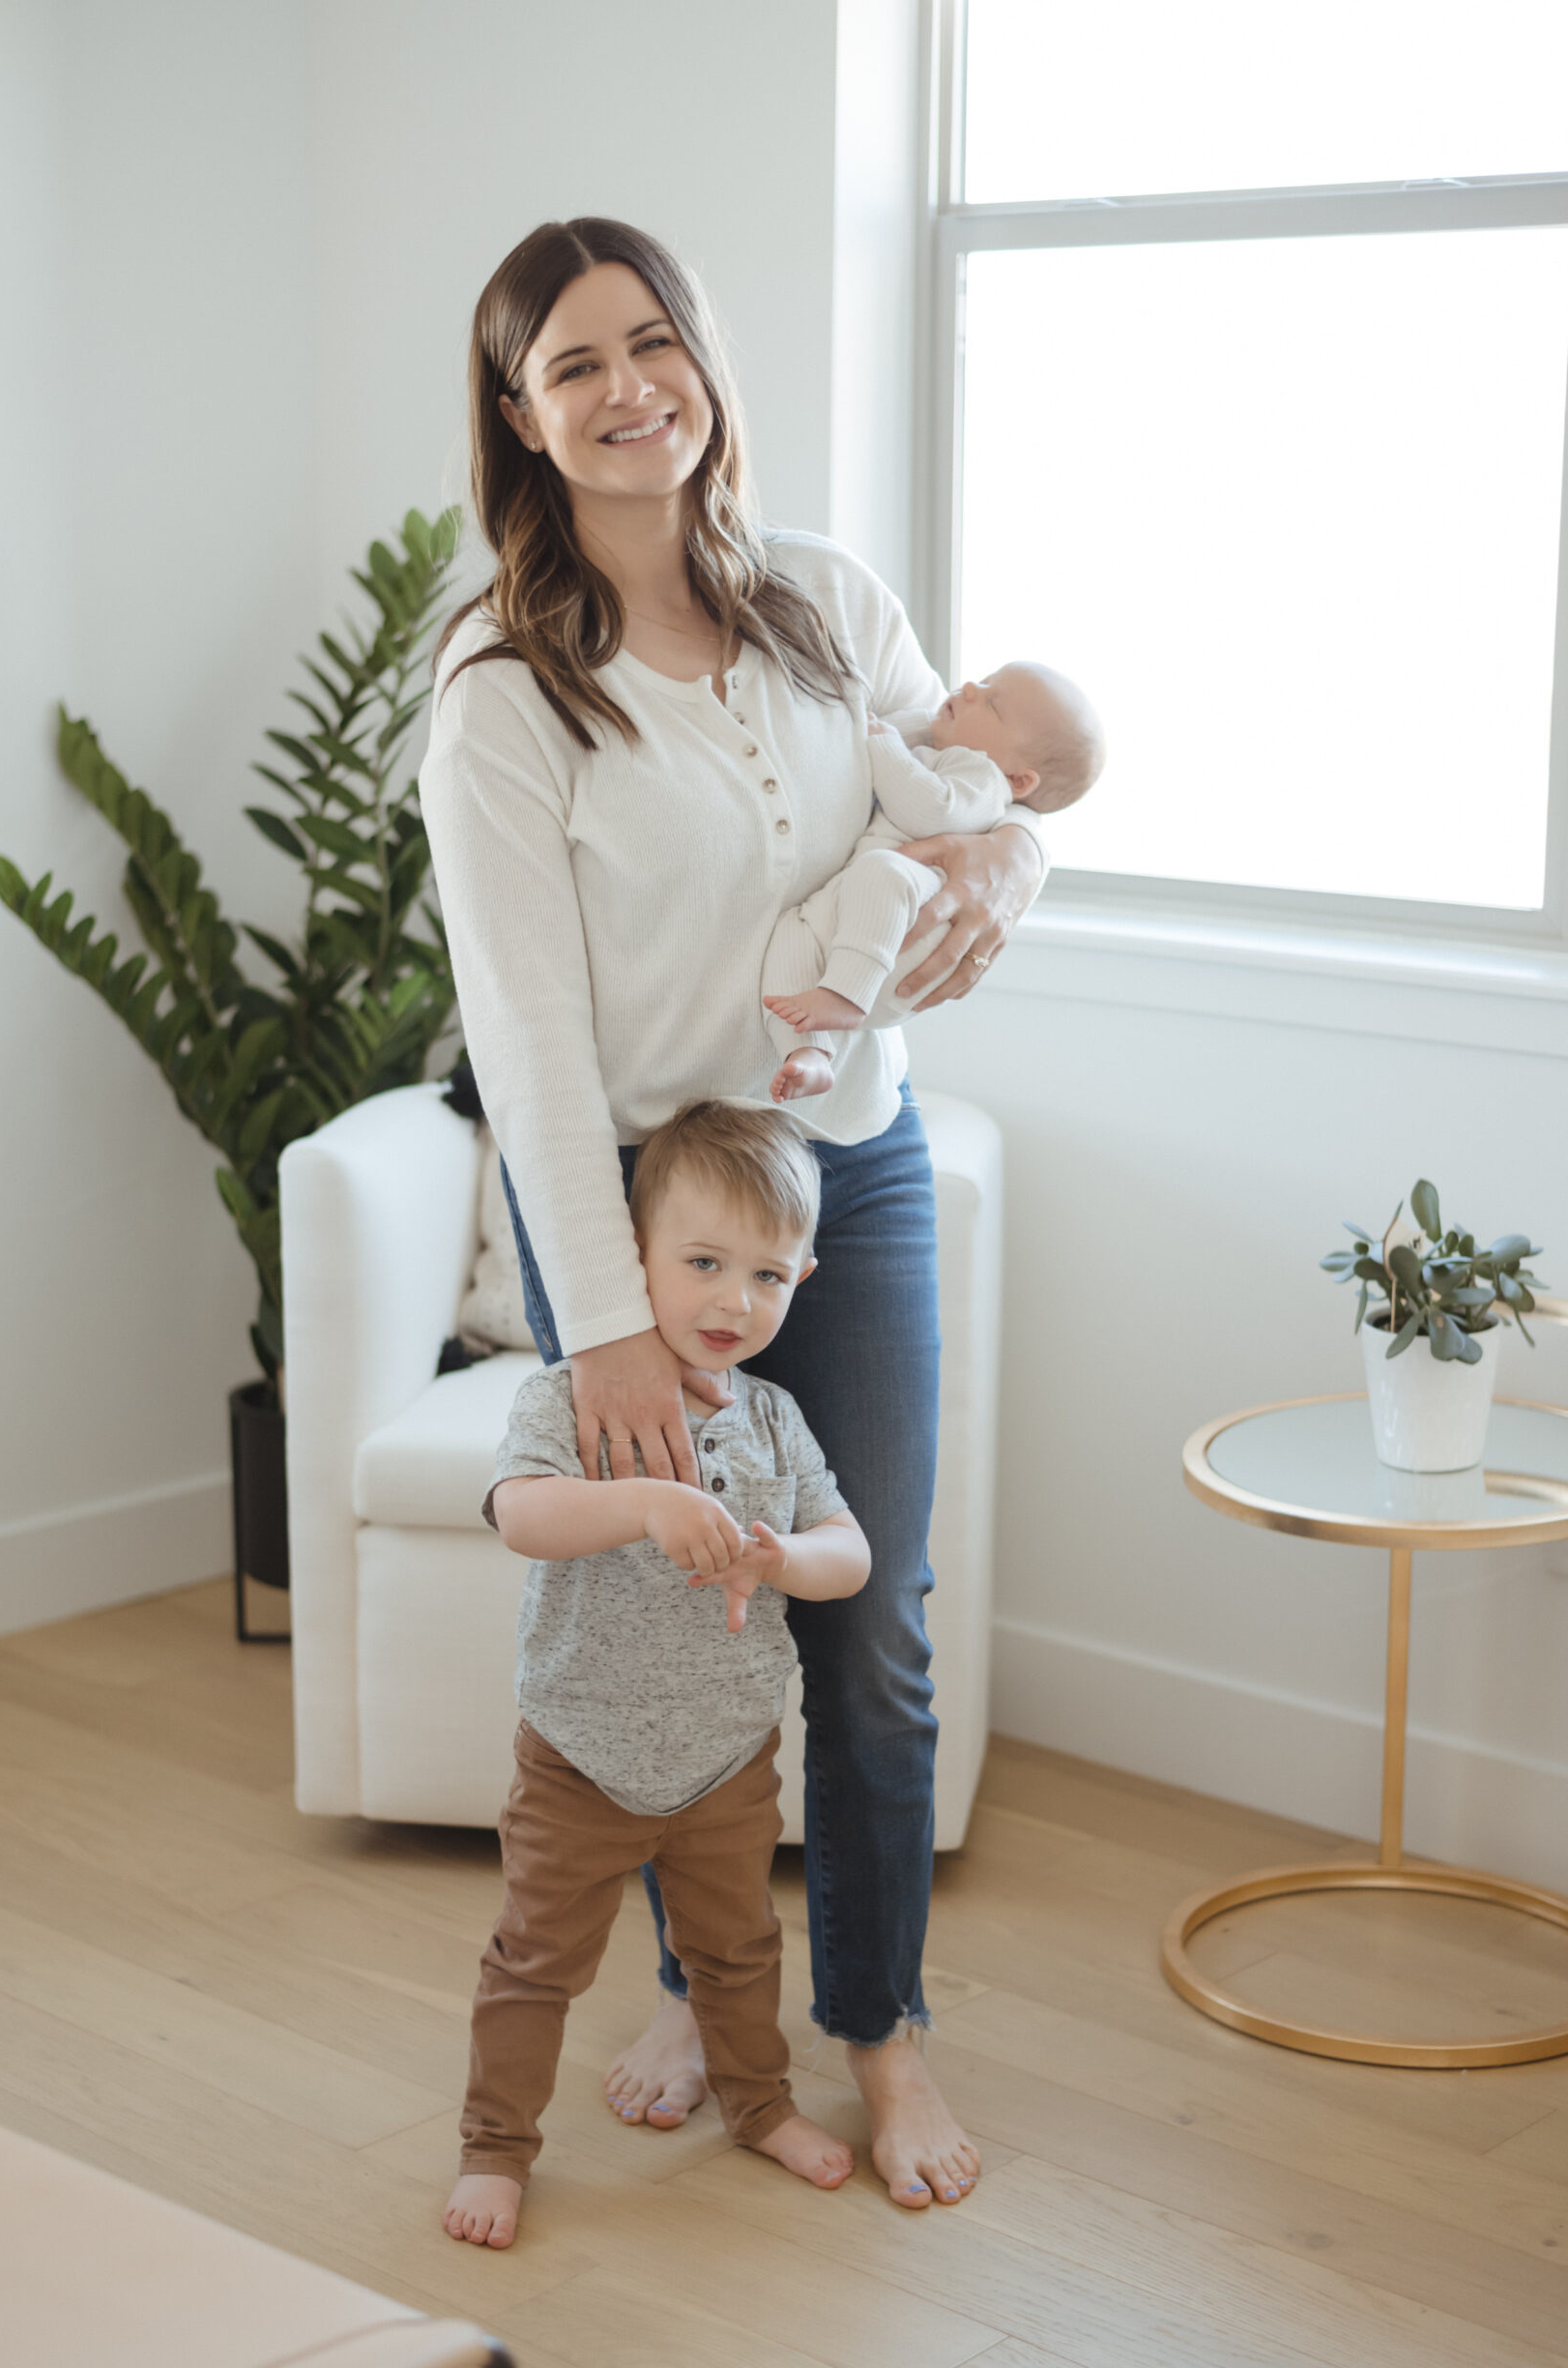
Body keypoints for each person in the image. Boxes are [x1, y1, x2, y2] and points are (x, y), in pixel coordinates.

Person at [421, 215, 1049, 2209]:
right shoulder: (505, 686)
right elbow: (517, 1029)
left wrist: (1002, 887)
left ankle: (878, 2022)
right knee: (680, 1609)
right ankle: (709, 1985)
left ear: (700, 358)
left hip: (836, 1179)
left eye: (652, 342)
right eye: (575, 366)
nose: (629, 391)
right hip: (623, 1206)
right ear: (521, 422)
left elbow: (990, 798)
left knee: (863, 1607)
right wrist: (594, 1315)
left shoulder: (825, 600)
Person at [444, 1103, 870, 2249]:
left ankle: (759, 2103)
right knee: (535, 1962)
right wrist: (644, 1501)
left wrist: (787, 1554)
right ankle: (496, 2146)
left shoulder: (778, 1424)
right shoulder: (572, 1398)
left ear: (803, 1275)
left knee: (735, 1953)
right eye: (702, 1263)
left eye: (767, 1274)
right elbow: (522, 1516)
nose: (734, 1300)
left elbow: (851, 1553)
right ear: (630, 1255)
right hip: (580, 1754)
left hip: (726, 1762)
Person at [765, 663, 1105, 1102]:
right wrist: (900, 728)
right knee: (790, 935)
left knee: (884, 871)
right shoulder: (945, 746)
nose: (968, 688)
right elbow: (866, 730)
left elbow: (927, 810)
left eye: (991, 702)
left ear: (1019, 780)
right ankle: (808, 1054)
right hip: (862, 919)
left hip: (904, 935)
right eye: (982, 681)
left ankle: (844, 994)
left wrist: (884, 740)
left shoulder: (982, 778)